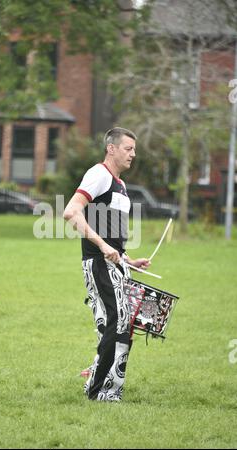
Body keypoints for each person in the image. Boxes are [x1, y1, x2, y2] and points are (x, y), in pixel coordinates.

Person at [63, 127, 151, 402]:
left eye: (134, 150)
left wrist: (127, 259)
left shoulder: (121, 185)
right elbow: (71, 212)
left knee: (122, 324)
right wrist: (102, 247)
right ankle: (97, 390)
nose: (133, 154)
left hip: (115, 265)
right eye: (128, 149)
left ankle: (107, 386)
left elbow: (112, 236)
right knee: (117, 321)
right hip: (98, 264)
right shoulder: (98, 174)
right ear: (111, 148)